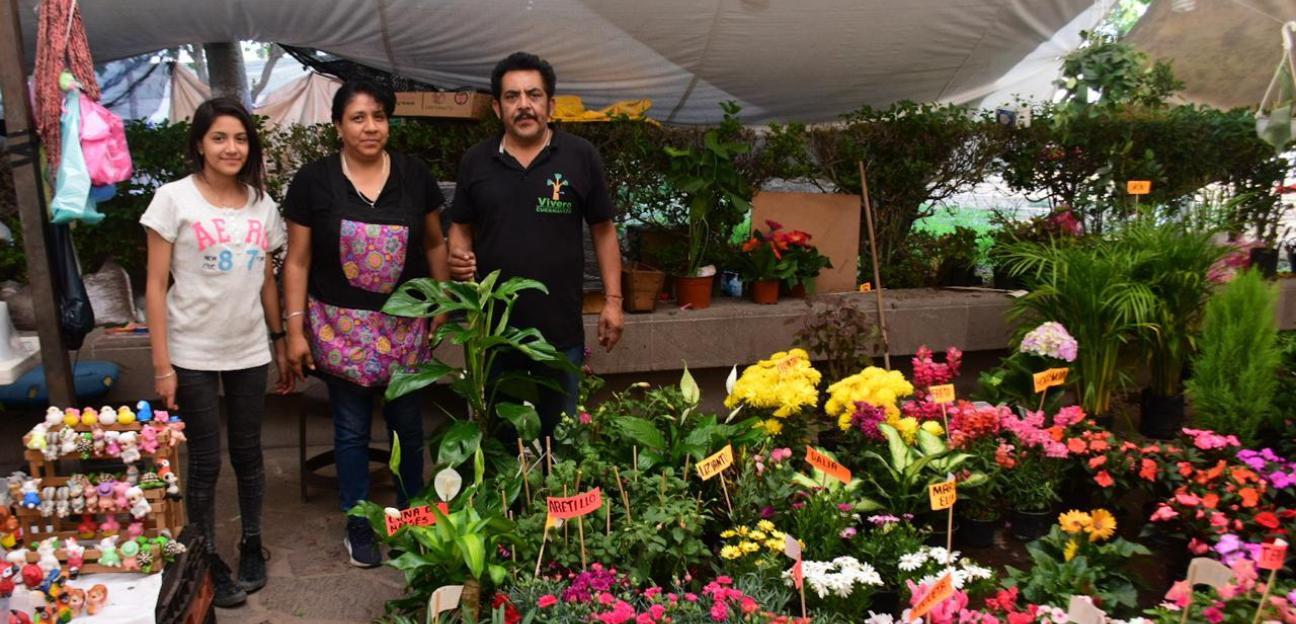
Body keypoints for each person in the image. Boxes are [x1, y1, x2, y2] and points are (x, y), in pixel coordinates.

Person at [282, 79, 450, 568]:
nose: (370, 126)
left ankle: (413, 520)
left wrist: (442, 302)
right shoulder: (314, 181)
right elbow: (296, 261)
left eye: (379, 116)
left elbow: (436, 244)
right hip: (340, 331)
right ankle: (359, 524)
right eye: (358, 117)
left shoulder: (415, 176)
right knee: (351, 431)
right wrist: (294, 330)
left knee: (408, 429)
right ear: (338, 126)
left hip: (405, 330)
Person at [141, 97, 292, 607]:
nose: (231, 147)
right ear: (200, 145)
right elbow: (155, 286)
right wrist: (162, 366)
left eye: (241, 138)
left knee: (249, 455)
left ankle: (251, 543)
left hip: (249, 350)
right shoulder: (172, 200)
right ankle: (204, 557)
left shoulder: (261, 204)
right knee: (205, 462)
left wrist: (279, 340)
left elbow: (267, 280)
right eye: (219, 138)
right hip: (192, 352)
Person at [448, 52, 624, 438]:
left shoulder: (580, 156)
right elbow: (460, 226)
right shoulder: (476, 162)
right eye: (512, 97)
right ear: (497, 107)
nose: (523, 105)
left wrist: (613, 301)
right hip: (493, 335)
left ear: (551, 104)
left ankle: (554, 499)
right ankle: (508, 502)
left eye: (533, 95)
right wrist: (458, 257)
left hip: (558, 333)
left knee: (559, 441)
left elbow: (604, 230)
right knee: (499, 442)